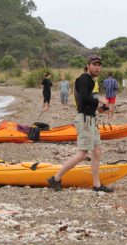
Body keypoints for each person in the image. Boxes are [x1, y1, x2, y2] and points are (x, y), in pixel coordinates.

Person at [47, 55, 113, 193]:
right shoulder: (84, 79)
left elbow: (86, 103)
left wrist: (100, 109)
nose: (97, 67)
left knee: (97, 151)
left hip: (90, 119)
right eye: (94, 64)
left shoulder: (89, 80)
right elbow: (84, 98)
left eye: (99, 65)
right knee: (82, 154)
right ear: (88, 66)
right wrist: (102, 100)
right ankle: (56, 178)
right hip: (84, 120)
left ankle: (96, 184)